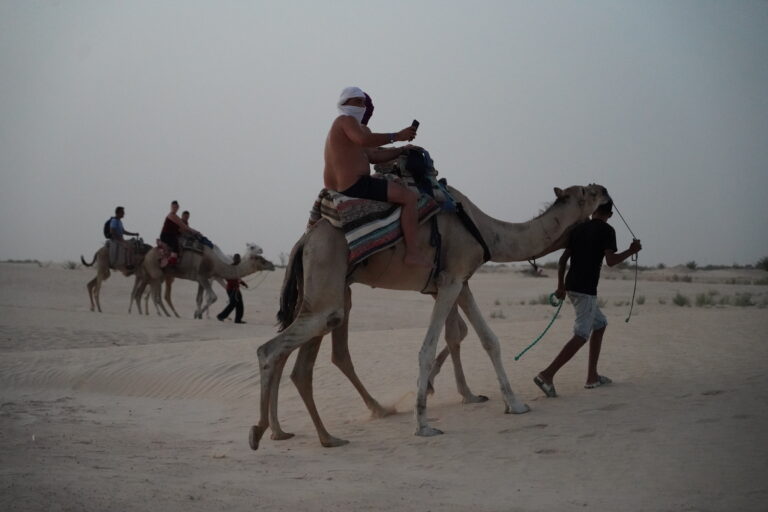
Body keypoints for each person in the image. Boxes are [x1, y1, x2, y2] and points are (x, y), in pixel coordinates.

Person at [533, 200, 642, 397]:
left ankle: (592, 376)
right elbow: (611, 261)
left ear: (593, 211)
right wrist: (632, 251)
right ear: (609, 214)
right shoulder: (608, 231)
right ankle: (546, 375)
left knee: (599, 324)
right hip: (586, 290)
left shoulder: (578, 229)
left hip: (572, 285)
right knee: (582, 334)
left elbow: (563, 259)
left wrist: (560, 286)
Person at [323, 86, 431, 267]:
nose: (362, 106)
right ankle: (413, 253)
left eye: (363, 103)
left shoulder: (353, 128)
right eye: (358, 102)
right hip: (355, 185)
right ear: (344, 103)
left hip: (348, 184)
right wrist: (397, 136)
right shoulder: (345, 120)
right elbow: (364, 141)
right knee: (410, 197)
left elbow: (373, 155)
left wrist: (402, 150)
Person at [160, 201, 200, 266]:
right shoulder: (172, 216)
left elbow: (185, 229)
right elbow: (184, 228)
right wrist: (196, 232)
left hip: (173, 235)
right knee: (176, 244)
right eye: (173, 207)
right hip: (167, 235)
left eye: (176, 207)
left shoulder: (178, 218)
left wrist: (193, 233)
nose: (174, 208)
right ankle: (172, 261)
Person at [217, 254, 248, 323]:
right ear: (234, 259)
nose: (238, 260)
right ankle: (221, 316)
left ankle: (238, 319)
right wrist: (234, 283)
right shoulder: (230, 267)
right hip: (232, 289)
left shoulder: (237, 268)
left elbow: (238, 278)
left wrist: (243, 283)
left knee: (239, 304)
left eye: (239, 259)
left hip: (236, 289)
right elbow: (226, 277)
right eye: (237, 259)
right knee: (233, 304)